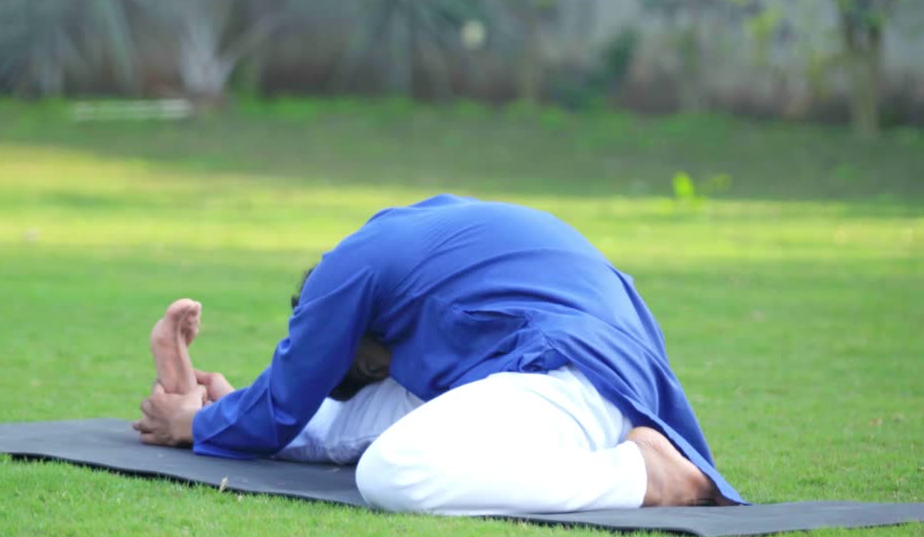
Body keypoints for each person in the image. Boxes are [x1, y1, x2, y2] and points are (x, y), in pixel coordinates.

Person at [134, 194, 744, 513]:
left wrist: (197, 422)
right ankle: (209, 402)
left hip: (574, 375)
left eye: (369, 366)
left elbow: (302, 398)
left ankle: (645, 477)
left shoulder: (346, 272)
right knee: (378, 420)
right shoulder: (421, 243)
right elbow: (328, 410)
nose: (385, 372)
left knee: (393, 471)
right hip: (577, 369)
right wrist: (219, 410)